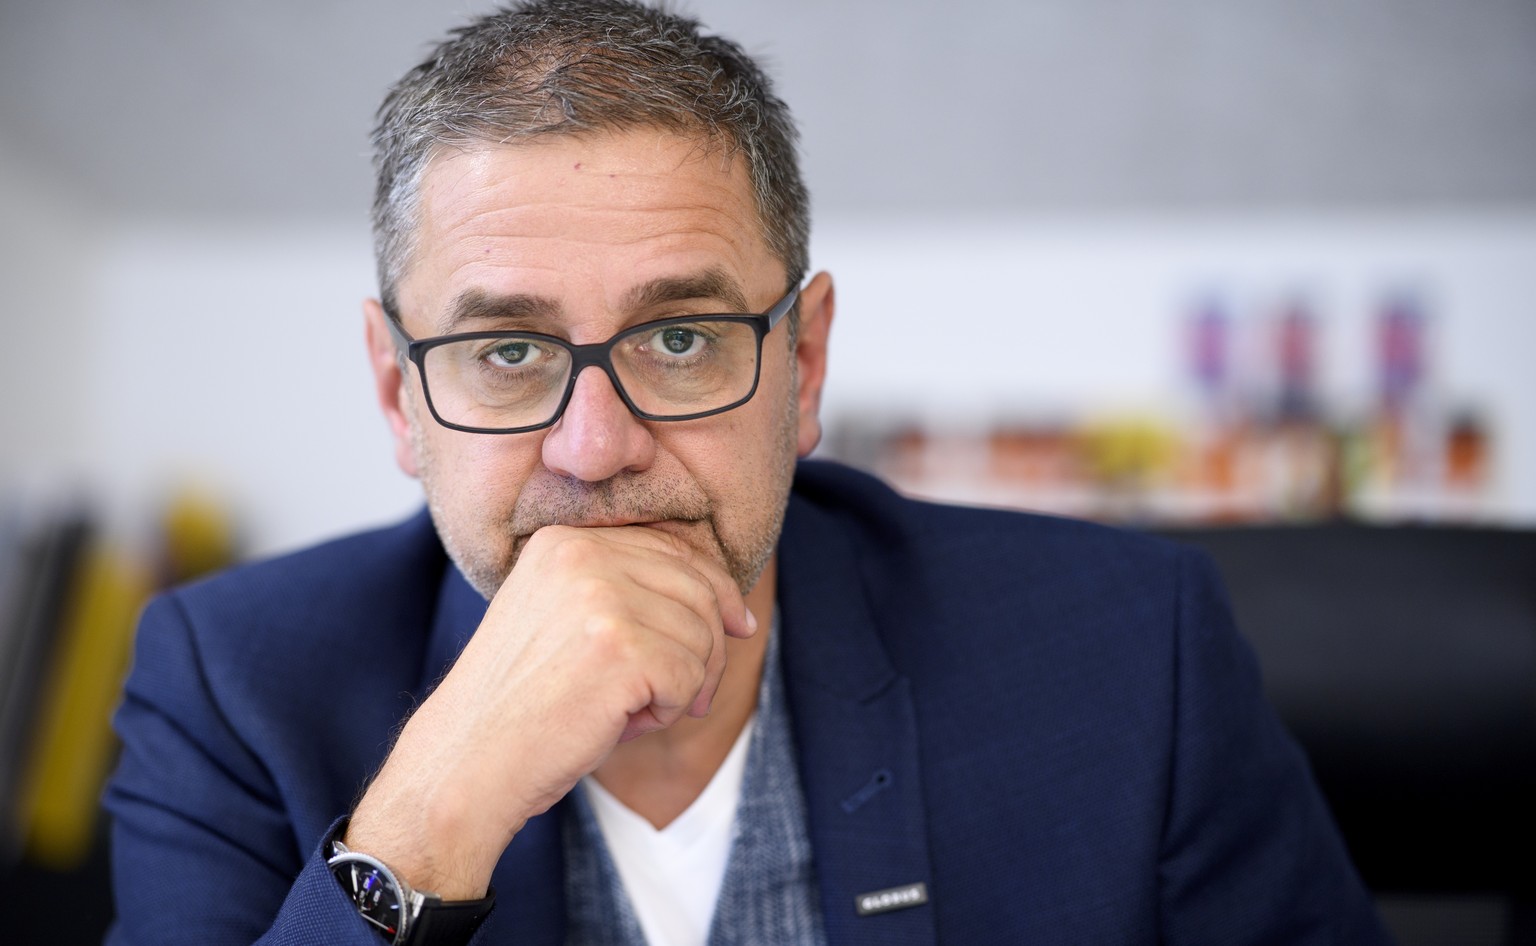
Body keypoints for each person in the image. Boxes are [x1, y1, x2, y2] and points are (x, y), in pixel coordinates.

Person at [103, 2, 1393, 944]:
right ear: (400, 394)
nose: (594, 448)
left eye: (678, 338)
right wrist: (431, 812)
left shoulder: (1129, 652)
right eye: (505, 350)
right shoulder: (226, 683)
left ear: (806, 363)